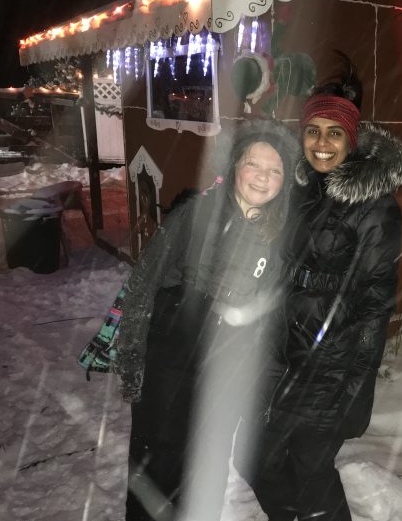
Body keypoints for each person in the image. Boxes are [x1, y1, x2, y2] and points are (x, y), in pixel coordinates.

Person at [236, 58, 402, 521]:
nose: (323, 143)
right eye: (313, 131)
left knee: (310, 469)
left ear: (351, 139)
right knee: (254, 456)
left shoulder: (375, 207)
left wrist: (357, 387)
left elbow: (376, 303)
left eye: (335, 133)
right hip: (280, 352)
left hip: (328, 365)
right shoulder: (301, 188)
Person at [111, 119, 299, 521]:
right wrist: (131, 351)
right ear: (234, 167)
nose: (263, 178)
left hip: (228, 361)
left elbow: (275, 312)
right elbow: (146, 278)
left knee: (208, 464)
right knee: (156, 462)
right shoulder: (198, 213)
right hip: (175, 346)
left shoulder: (280, 234)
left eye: (275, 170)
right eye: (254, 164)